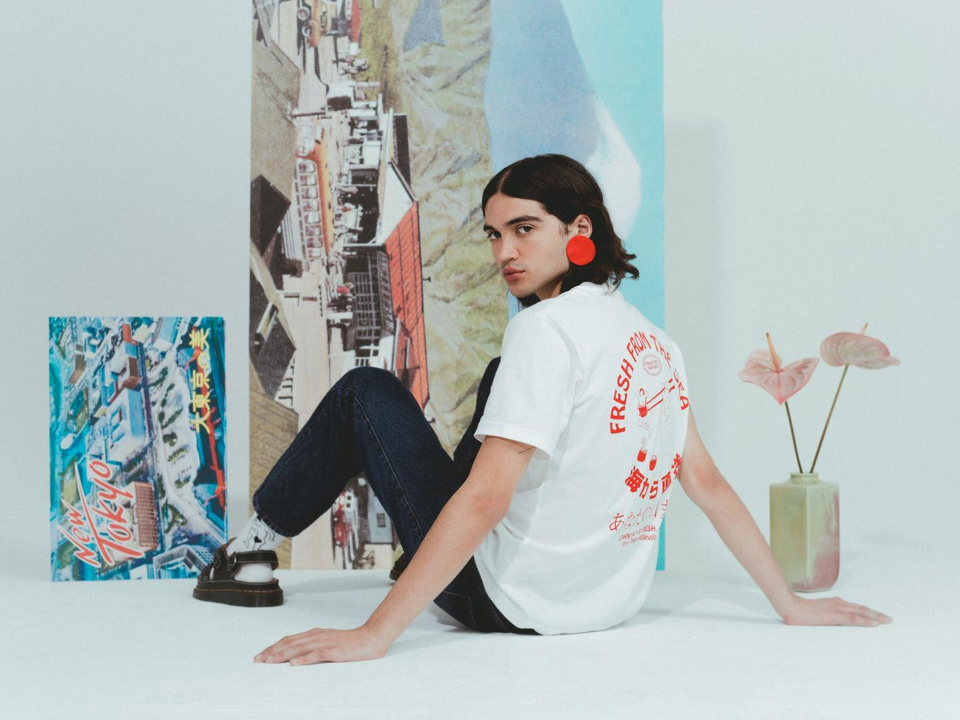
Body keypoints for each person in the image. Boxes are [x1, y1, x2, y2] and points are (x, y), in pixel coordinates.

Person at [193, 154, 892, 665]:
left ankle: (247, 552)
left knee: (366, 394)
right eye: (495, 235)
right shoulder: (655, 342)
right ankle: (410, 564)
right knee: (501, 378)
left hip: (503, 602)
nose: (505, 252)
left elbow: (487, 499)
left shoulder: (544, 330)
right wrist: (790, 605)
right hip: (605, 608)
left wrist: (375, 634)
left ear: (578, 228)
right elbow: (704, 483)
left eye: (524, 229)